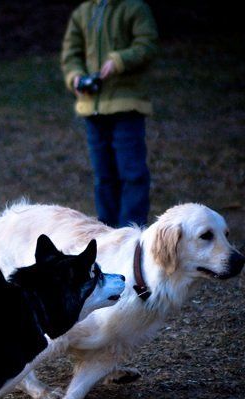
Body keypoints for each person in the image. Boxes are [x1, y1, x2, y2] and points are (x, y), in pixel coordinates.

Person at [61, 0, 158, 228]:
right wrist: (75, 76)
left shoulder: (135, 8)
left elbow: (147, 45)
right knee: (103, 177)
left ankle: (131, 231)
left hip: (126, 106)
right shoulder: (83, 12)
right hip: (92, 108)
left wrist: (119, 60)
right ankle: (107, 231)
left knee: (132, 174)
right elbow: (71, 54)